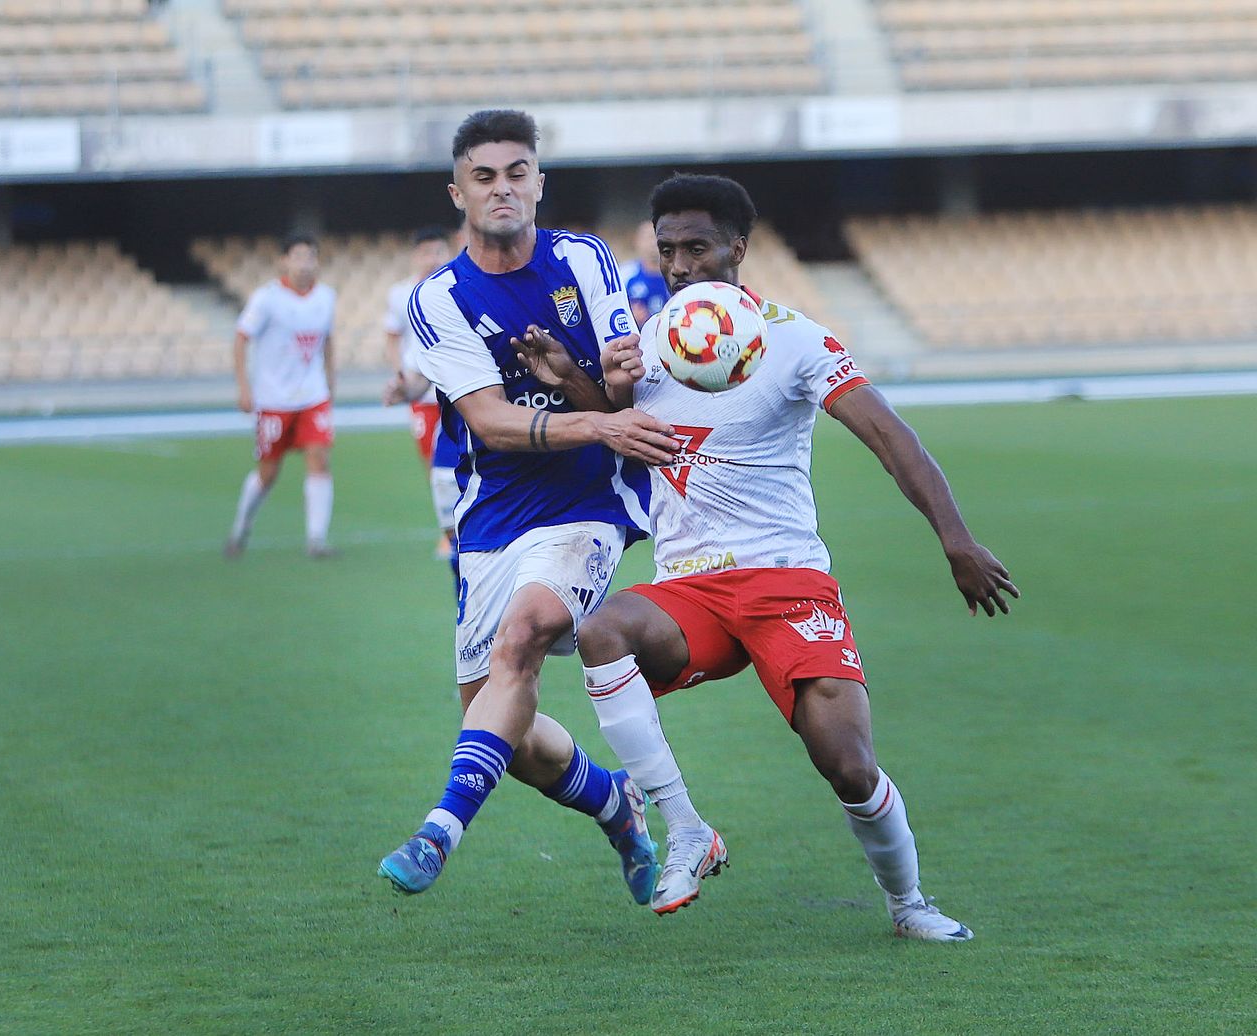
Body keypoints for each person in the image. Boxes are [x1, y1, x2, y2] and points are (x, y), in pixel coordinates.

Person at [560, 174, 1018, 939]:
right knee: (601, 631)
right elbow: (620, 438)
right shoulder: (646, 345)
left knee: (848, 764)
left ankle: (909, 905)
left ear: (738, 248)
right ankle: (686, 829)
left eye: (697, 247)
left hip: (787, 581)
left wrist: (956, 539)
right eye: (667, 249)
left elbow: (890, 436)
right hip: (690, 589)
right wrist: (586, 386)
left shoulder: (795, 338)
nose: (679, 265)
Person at [377, 109, 683, 901]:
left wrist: (611, 381)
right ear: (458, 193)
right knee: (500, 729)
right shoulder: (439, 298)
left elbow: (618, 398)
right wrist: (599, 417)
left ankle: (438, 832)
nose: (502, 189)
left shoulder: (585, 259)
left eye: (517, 173)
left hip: (589, 498)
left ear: (539, 183)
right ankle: (615, 803)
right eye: (484, 177)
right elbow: (488, 421)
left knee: (525, 636)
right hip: (492, 512)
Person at [225, 233, 337, 559]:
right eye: (298, 256)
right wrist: (244, 388)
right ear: (283, 261)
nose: (305, 264)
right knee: (268, 472)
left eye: (310, 257)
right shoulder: (266, 299)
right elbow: (241, 339)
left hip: (313, 395)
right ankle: (241, 528)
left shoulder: (326, 297)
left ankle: (316, 539)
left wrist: (330, 381)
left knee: (319, 459)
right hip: (274, 399)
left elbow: (328, 340)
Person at [382, 226, 460, 561]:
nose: (433, 258)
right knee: (435, 464)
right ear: (416, 256)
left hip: (458, 393)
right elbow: (393, 335)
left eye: (439, 251)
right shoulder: (402, 294)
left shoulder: (458, 287)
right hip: (422, 390)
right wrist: (401, 374)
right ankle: (448, 529)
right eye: (427, 252)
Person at [621, 221, 669, 329]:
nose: (652, 243)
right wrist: (628, 315)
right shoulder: (624, 273)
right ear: (637, 241)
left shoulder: (677, 274)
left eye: (656, 237)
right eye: (648, 238)